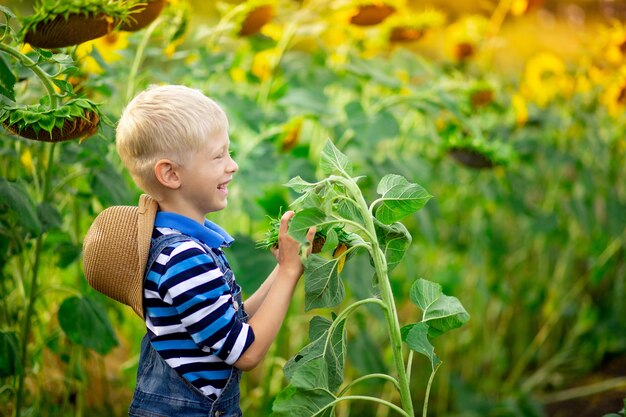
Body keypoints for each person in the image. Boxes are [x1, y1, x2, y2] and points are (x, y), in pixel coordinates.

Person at [115, 84, 315, 417]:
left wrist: (284, 268)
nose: (232, 165)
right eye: (218, 155)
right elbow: (246, 352)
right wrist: (290, 273)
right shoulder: (182, 258)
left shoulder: (180, 244)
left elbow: (230, 327)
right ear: (171, 173)